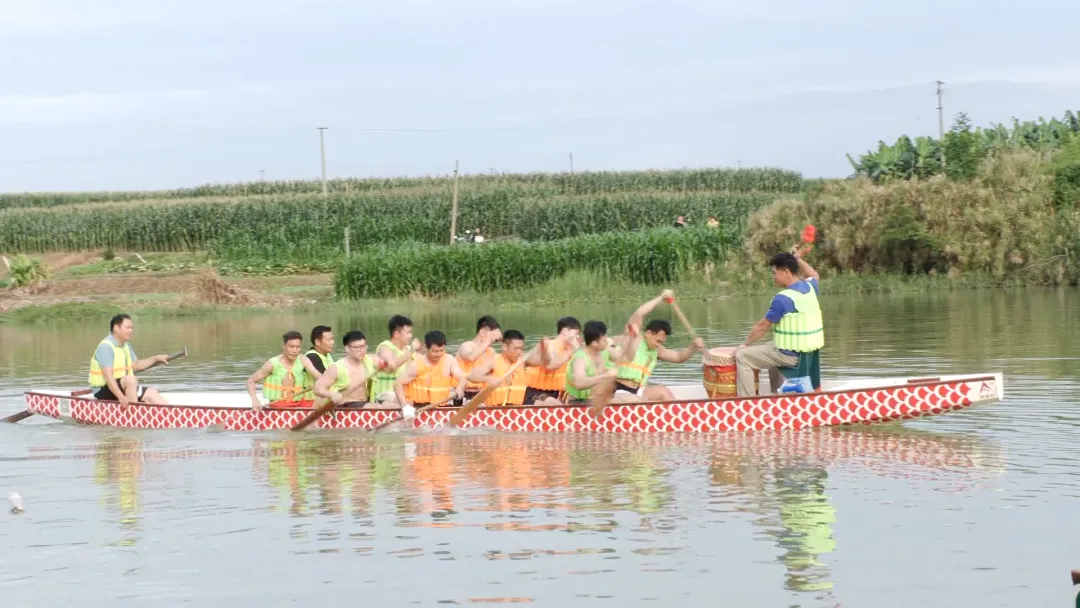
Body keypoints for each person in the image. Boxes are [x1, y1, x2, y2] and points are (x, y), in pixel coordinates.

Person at [735, 251, 822, 396]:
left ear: (786, 272)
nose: (773, 277)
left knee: (742, 357)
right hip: (807, 355)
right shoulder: (810, 288)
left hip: (791, 357)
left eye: (775, 273)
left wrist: (744, 345)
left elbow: (762, 327)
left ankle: (746, 403)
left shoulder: (783, 299)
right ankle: (776, 393)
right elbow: (814, 274)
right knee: (771, 345)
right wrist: (798, 259)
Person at [612, 290, 705, 401]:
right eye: (657, 341)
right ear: (648, 333)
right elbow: (639, 313)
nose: (658, 345)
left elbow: (679, 357)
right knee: (656, 395)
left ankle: (675, 415)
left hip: (636, 389)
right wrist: (660, 297)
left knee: (663, 391)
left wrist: (693, 347)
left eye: (661, 342)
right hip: (617, 388)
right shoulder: (634, 337)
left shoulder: (657, 350)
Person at [88, 313, 171, 406]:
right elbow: (108, 376)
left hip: (123, 385)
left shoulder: (126, 345)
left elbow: (137, 365)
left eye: (131, 328)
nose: (130, 330)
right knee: (131, 380)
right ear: (116, 328)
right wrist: (121, 397)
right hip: (103, 389)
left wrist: (156, 358)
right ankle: (133, 414)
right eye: (127, 328)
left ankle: (173, 416)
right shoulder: (106, 347)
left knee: (152, 393)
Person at [246, 330, 322, 411]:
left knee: (321, 403)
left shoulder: (303, 360)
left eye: (298, 347)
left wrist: (327, 382)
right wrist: (254, 400)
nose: (295, 350)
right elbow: (250, 381)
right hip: (278, 405)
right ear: (284, 346)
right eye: (291, 347)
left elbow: (316, 374)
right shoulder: (272, 363)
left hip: (299, 402)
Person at [394, 330, 469, 410]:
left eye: (442, 350)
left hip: (441, 408)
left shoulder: (449, 360)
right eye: (435, 351)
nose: (439, 354)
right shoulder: (416, 364)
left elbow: (463, 377)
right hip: (417, 408)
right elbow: (398, 383)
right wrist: (405, 407)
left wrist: (460, 387)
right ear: (426, 347)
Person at [466, 330, 542, 407]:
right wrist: (488, 379)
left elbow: (547, 363)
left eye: (521, 348)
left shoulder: (522, 361)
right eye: (516, 348)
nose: (519, 352)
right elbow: (471, 376)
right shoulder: (494, 361)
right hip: (496, 410)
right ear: (504, 347)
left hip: (518, 408)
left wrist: (543, 349)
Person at [313, 330, 382, 409]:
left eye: (364, 346)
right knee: (379, 407)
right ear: (347, 349)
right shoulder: (337, 368)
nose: (363, 350)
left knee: (392, 402)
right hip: (346, 406)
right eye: (358, 347)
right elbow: (317, 388)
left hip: (366, 403)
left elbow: (390, 364)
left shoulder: (369, 361)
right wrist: (331, 395)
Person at [524, 316, 581, 405]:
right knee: (554, 403)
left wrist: (577, 350)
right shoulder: (550, 345)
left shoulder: (571, 349)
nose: (577, 337)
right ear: (565, 331)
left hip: (559, 391)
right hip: (536, 391)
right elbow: (550, 366)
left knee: (579, 398)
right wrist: (571, 351)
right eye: (576, 333)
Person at [563, 321, 621, 405]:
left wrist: (631, 338)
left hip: (596, 399)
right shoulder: (580, 358)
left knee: (629, 399)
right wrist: (606, 376)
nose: (607, 341)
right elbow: (579, 383)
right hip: (577, 403)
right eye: (604, 340)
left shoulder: (604, 351)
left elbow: (625, 357)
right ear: (594, 343)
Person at [370, 315, 424, 404]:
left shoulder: (408, 349)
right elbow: (392, 366)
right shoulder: (385, 347)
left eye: (411, 332)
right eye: (408, 332)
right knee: (407, 400)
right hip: (384, 395)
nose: (411, 336)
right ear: (396, 334)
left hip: (405, 393)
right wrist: (412, 351)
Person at [456, 315, 502, 401]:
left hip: (482, 394)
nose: (493, 341)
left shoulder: (491, 351)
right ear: (482, 332)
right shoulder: (466, 346)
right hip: (464, 393)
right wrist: (487, 341)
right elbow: (470, 357)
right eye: (493, 338)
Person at [300, 325, 335, 393]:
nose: (332, 342)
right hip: (312, 400)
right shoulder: (312, 357)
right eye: (329, 340)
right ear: (317, 342)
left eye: (332, 339)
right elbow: (326, 381)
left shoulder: (327, 355)